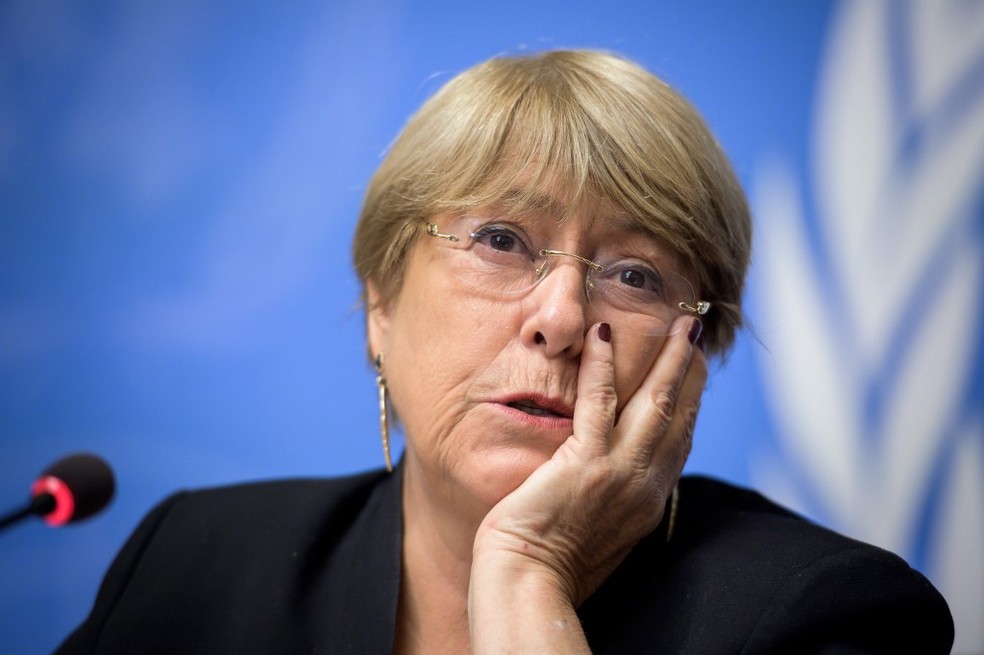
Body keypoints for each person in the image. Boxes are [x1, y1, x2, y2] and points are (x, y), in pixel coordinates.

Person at [56, 50, 953, 654]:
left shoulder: (816, 615)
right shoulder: (196, 562)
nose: (560, 317)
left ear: (696, 351)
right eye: (500, 240)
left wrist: (528, 581)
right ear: (380, 301)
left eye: (635, 276)